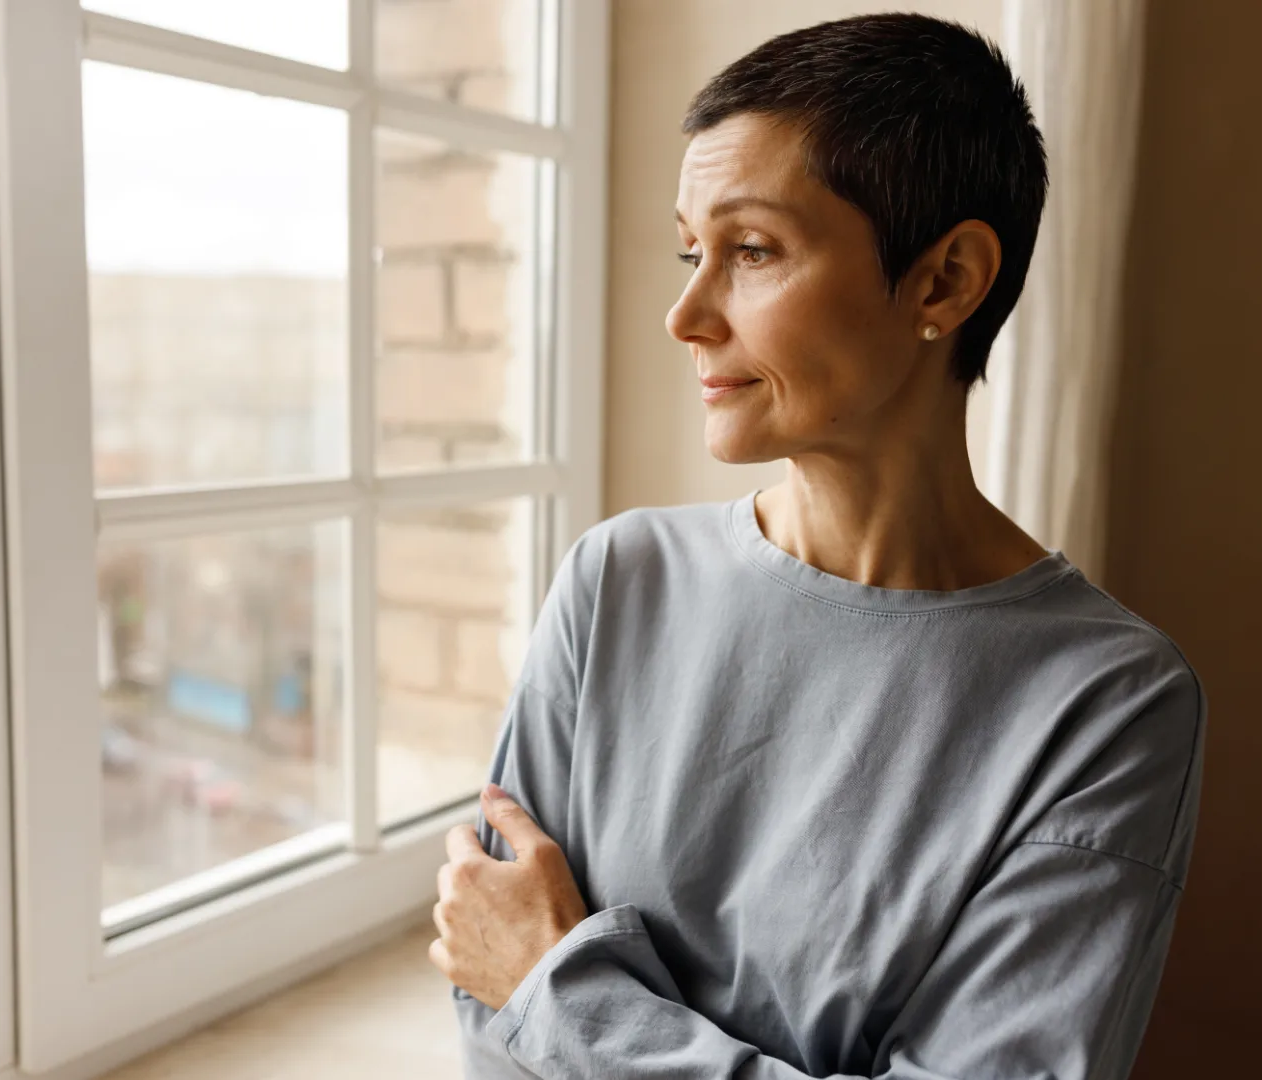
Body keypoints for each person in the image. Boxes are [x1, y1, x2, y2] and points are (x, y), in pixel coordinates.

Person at [428, 13, 1204, 1080]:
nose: (685, 313)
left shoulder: (1109, 704)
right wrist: (534, 986)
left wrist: (559, 992)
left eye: (751, 250)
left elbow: (522, 990)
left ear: (944, 281)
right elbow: (489, 990)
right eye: (691, 250)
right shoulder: (617, 581)